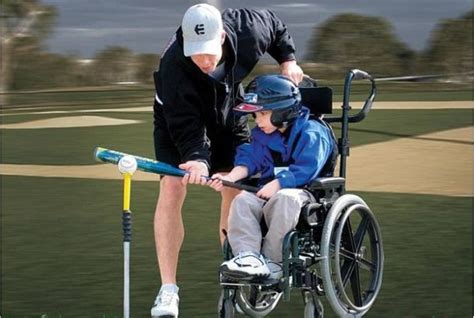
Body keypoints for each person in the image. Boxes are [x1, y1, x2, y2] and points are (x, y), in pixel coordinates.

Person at [151, 3, 304, 317]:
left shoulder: (248, 29)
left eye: (208, 53)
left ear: (222, 37)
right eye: (196, 54)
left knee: (233, 188)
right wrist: (197, 160)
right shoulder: (174, 67)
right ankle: (169, 290)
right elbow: (185, 125)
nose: (204, 62)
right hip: (176, 118)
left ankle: (237, 270)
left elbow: (275, 25)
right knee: (172, 186)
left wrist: (287, 59)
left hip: (229, 109)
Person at [207, 74, 336, 281]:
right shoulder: (263, 134)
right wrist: (230, 177)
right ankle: (248, 257)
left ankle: (273, 261)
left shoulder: (313, 133)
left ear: (282, 112)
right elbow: (251, 159)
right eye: (255, 115)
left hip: (304, 194)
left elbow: (307, 168)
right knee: (242, 200)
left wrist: (278, 183)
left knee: (286, 199)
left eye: (262, 114)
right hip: (267, 193)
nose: (257, 121)